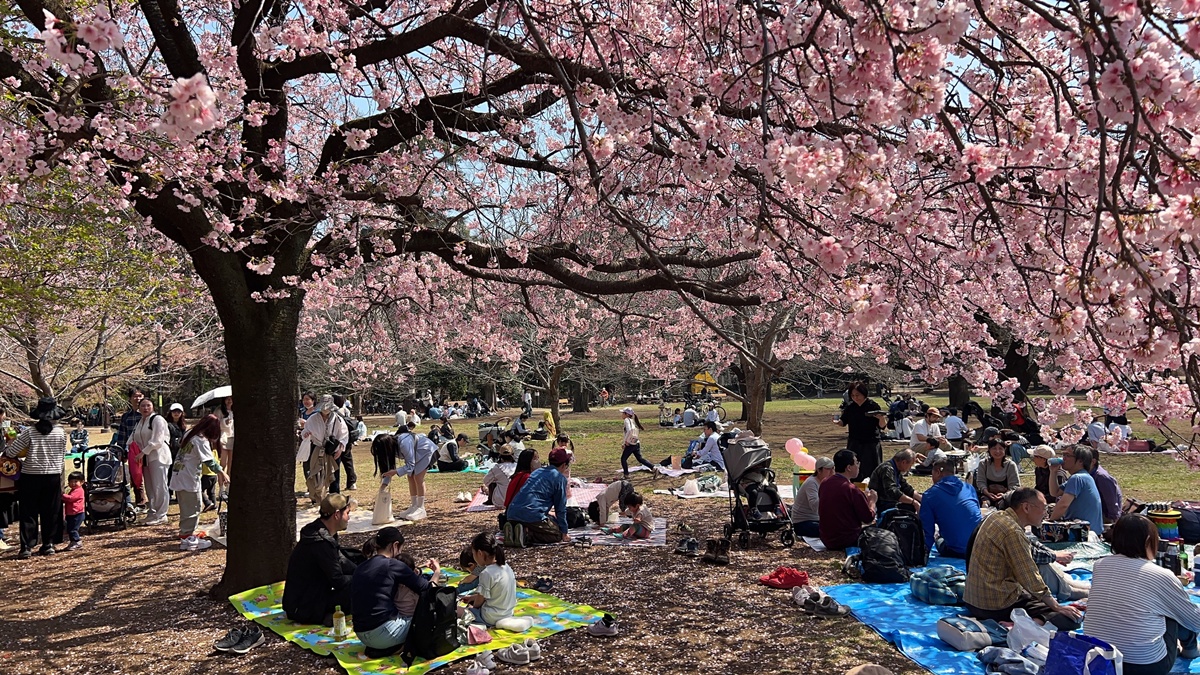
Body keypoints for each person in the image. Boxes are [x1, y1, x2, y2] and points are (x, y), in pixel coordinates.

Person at [1083, 514, 1200, 675]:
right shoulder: (1160, 574)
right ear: (1148, 542)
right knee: (1175, 612)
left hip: (1099, 659)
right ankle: (1191, 649)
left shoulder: (1100, 565)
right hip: (1145, 665)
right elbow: (1195, 621)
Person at [963, 487, 1082, 630]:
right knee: (1070, 619)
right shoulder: (1012, 532)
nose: (1045, 514)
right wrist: (1057, 607)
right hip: (994, 605)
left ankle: (1030, 621)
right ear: (1026, 507)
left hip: (973, 599)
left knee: (1035, 598)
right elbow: (1030, 577)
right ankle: (1018, 626)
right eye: (1044, 508)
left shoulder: (997, 517)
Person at [351, 527, 438, 650]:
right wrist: (437, 573)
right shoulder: (392, 564)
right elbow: (428, 589)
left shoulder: (361, 567)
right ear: (395, 545)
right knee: (435, 616)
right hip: (385, 632)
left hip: (361, 634)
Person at [4, 397, 69, 558]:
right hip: (53, 475)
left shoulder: (29, 432)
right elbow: (62, 456)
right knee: (51, 511)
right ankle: (48, 544)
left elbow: (11, 453)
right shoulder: (61, 432)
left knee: (29, 512)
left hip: (31, 475)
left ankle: (26, 547)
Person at [283, 494, 360, 625]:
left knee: (358, 571)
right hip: (303, 607)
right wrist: (361, 577)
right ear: (337, 515)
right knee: (358, 588)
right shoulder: (321, 543)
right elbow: (338, 580)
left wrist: (362, 569)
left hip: (305, 599)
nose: (349, 518)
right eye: (347, 513)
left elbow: (340, 560)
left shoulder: (321, 531)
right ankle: (321, 615)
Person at [171, 414, 230, 551]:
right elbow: (209, 461)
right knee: (193, 507)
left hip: (178, 475)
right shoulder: (200, 439)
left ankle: (185, 533)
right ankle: (188, 538)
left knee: (186, 507)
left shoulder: (189, 434)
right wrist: (222, 472)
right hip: (188, 478)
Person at [505, 447, 572, 544]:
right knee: (557, 534)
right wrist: (564, 532)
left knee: (551, 519)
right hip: (532, 515)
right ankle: (526, 535)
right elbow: (560, 509)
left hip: (512, 513)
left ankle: (515, 531)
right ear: (563, 465)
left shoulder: (537, 472)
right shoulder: (559, 478)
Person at [920, 458, 981, 557]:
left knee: (939, 539)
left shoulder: (930, 495)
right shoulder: (969, 488)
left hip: (957, 551)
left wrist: (922, 555)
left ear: (938, 472)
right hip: (978, 547)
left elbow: (927, 532)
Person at [818, 449, 878, 550]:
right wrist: (872, 501)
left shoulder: (825, 483)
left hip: (826, 539)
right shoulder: (851, 489)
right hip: (847, 539)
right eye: (856, 463)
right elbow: (868, 518)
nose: (858, 466)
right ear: (849, 467)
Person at [130, 398, 172, 526]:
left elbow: (157, 441)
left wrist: (143, 452)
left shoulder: (157, 419)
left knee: (159, 485)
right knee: (150, 486)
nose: (145, 408)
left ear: (153, 406)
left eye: (148, 405)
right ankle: (152, 512)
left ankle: (161, 514)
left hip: (158, 456)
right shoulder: (140, 421)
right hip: (145, 459)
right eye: (143, 406)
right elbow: (133, 438)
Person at [461, 531, 517, 626]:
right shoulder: (506, 567)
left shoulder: (486, 573)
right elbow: (495, 594)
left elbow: (480, 600)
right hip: (508, 613)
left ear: (479, 553)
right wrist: (472, 597)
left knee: (457, 611)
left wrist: (472, 609)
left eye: (473, 554)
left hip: (492, 617)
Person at [301, 395, 348, 506]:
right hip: (317, 448)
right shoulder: (313, 418)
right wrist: (306, 434)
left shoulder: (337, 419)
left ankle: (335, 500)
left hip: (332, 450)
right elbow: (305, 431)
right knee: (315, 474)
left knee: (333, 475)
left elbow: (344, 435)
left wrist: (340, 449)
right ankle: (316, 499)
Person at [1049, 444, 1104, 535]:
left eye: (1068, 456)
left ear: (1080, 461)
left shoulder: (1077, 478)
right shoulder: (1083, 476)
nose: (1063, 458)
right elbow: (1055, 492)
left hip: (1085, 534)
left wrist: (1049, 523)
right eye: (1063, 455)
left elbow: (1063, 505)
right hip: (1090, 532)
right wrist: (1053, 472)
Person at [837, 381, 888, 479]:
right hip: (854, 442)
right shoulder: (850, 407)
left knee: (870, 468)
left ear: (864, 394)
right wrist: (837, 422)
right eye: (852, 395)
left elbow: (882, 426)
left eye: (858, 395)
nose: (855, 398)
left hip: (870, 442)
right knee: (853, 467)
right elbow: (843, 422)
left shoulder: (872, 405)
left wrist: (881, 418)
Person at [385, 424, 434, 521]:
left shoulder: (403, 443)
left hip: (426, 451)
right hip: (416, 454)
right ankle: (414, 505)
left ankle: (421, 508)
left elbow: (410, 465)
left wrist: (395, 472)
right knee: (410, 477)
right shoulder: (394, 446)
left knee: (418, 477)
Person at [114, 388, 146, 507]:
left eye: (140, 396)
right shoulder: (126, 416)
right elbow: (122, 434)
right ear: (130, 398)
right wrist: (121, 450)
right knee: (135, 476)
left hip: (146, 449)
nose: (137, 399)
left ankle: (151, 502)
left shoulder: (148, 415)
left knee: (149, 476)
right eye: (135, 396)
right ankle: (140, 501)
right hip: (131, 449)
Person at [791, 457, 835, 538]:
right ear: (819, 470)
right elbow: (815, 507)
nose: (832, 472)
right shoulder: (811, 483)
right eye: (828, 469)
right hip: (803, 522)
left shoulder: (827, 482)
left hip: (817, 519)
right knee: (831, 531)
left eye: (833, 469)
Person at [868, 449, 921, 514]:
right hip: (882, 504)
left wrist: (922, 499)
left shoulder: (896, 469)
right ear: (903, 462)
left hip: (890, 502)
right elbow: (893, 492)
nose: (909, 469)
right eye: (910, 465)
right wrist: (914, 502)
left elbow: (906, 487)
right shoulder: (887, 469)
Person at [974, 438, 1020, 508]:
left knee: (1001, 506)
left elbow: (1015, 485)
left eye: (1000, 448)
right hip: (986, 494)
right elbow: (980, 482)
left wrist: (1003, 495)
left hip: (1005, 496)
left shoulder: (1010, 465)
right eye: (994, 448)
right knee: (985, 505)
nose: (997, 451)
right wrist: (988, 493)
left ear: (1005, 450)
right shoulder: (983, 463)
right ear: (989, 450)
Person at [619, 407, 654, 477]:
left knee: (623, 459)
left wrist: (625, 442)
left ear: (627, 414)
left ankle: (626, 474)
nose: (621, 414)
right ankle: (653, 468)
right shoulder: (632, 420)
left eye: (623, 413)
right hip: (636, 443)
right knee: (640, 459)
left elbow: (629, 430)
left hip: (631, 443)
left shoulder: (627, 420)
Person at [1090, 453, 1124, 525]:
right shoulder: (1089, 474)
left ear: (1093, 461)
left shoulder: (1101, 477)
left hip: (1104, 518)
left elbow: (1112, 502)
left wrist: (1112, 521)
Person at [62, 471, 85, 551]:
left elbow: (71, 498)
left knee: (73, 529)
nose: (73, 483)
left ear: (82, 482)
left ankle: (77, 541)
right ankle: (72, 542)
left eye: (75, 481)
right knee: (69, 529)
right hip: (70, 513)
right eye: (71, 482)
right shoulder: (72, 490)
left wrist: (62, 495)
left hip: (77, 513)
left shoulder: (79, 490)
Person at [218, 396, 234, 479]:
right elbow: (215, 424)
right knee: (223, 464)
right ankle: (221, 487)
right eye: (227, 399)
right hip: (223, 438)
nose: (229, 401)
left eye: (231, 399)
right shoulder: (219, 411)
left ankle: (228, 486)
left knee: (231, 464)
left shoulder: (235, 411)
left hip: (233, 438)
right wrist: (224, 422)